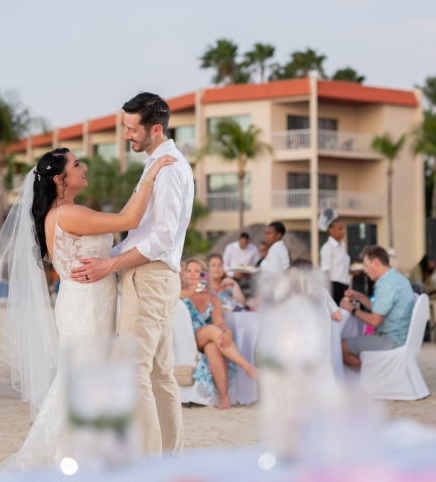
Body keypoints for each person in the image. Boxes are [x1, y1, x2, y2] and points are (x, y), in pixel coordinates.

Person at [0, 142, 176, 472]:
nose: (83, 167)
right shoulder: (68, 214)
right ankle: (75, 457)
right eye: (76, 164)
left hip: (83, 300)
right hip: (87, 306)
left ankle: (85, 452)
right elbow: (129, 218)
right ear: (60, 179)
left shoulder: (61, 213)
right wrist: (151, 174)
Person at [70, 92, 194, 455]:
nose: (126, 136)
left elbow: (162, 237)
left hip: (150, 276)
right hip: (154, 276)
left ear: (156, 129)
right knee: (158, 373)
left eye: (131, 128)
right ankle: (168, 458)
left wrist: (110, 264)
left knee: (134, 372)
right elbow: (139, 227)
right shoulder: (159, 163)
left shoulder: (169, 168)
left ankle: (149, 465)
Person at [180, 257, 258, 409]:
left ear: (204, 274)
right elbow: (168, 299)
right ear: (184, 274)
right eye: (189, 271)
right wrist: (190, 291)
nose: (193, 274)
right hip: (186, 337)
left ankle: (224, 398)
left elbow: (219, 322)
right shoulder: (179, 291)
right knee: (211, 330)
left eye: (197, 271)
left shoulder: (212, 297)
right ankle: (247, 366)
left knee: (212, 347)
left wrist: (227, 332)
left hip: (208, 337)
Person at [340, 245, 415, 369]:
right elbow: (379, 308)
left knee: (341, 346)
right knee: (355, 343)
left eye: (366, 265)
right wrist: (358, 296)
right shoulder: (396, 278)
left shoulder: (387, 283)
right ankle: (375, 376)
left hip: (391, 341)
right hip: (400, 338)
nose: (365, 270)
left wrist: (351, 310)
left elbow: (375, 320)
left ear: (376, 262)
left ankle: (373, 377)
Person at [318, 209, 350, 306]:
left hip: (344, 287)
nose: (343, 231)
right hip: (334, 287)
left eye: (343, 228)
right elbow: (326, 274)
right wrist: (329, 297)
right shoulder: (327, 248)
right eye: (340, 229)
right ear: (331, 230)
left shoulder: (341, 247)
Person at [258, 222, 290, 286]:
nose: (266, 236)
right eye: (265, 233)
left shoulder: (276, 252)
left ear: (278, 235)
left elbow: (274, 276)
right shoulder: (276, 249)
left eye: (269, 234)